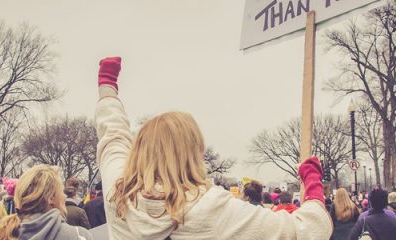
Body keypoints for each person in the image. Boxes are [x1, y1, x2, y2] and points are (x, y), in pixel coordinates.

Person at [95, 56, 332, 239]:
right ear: (192, 154)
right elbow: (307, 231)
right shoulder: (209, 207)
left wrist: (107, 89)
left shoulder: (118, 196)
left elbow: (113, 137)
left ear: (139, 151)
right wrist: (312, 181)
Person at [0, 164, 93, 240]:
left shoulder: (4, 234)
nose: (65, 196)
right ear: (51, 198)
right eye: (61, 191)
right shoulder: (79, 236)